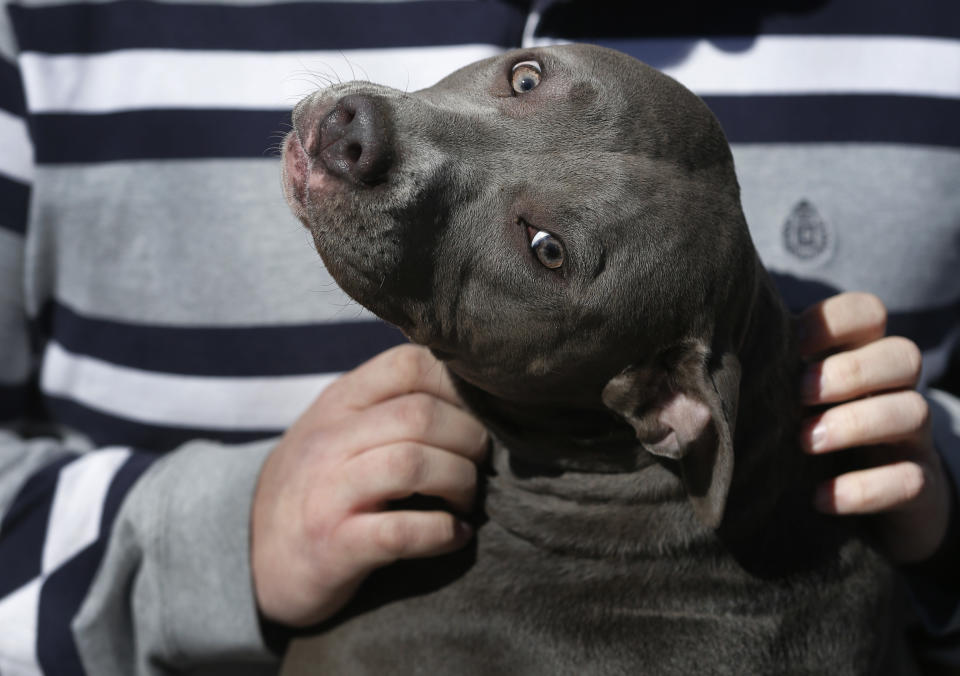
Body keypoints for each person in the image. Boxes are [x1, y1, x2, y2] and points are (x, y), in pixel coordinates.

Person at [0, 0, 956, 673]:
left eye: (546, 249)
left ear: (665, 406)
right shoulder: (48, 23)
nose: (373, 130)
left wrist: (944, 501)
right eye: (525, 82)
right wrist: (213, 545)